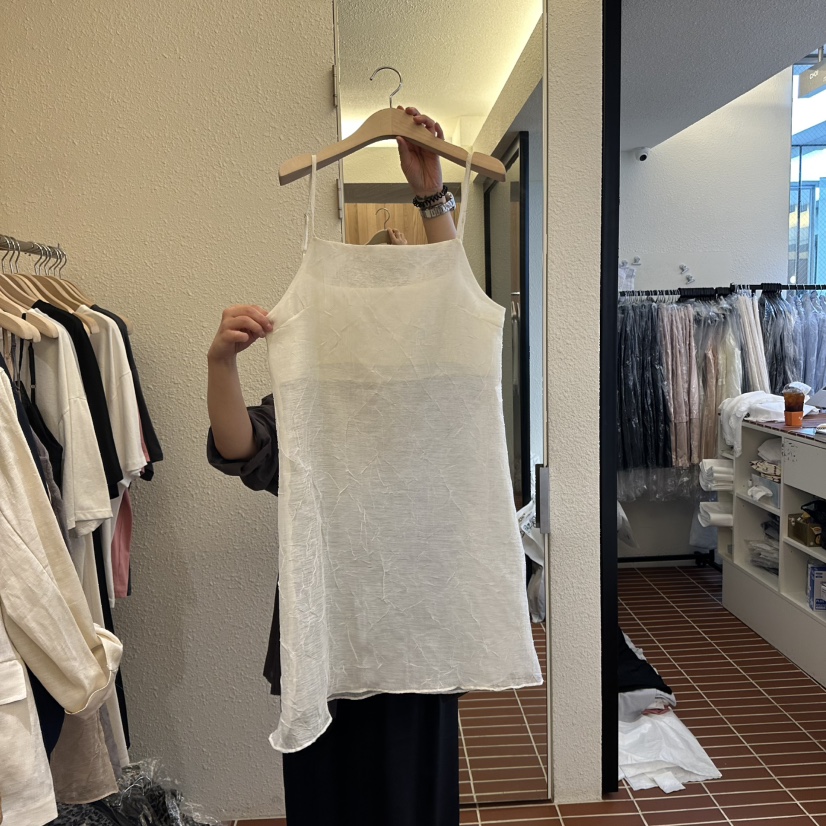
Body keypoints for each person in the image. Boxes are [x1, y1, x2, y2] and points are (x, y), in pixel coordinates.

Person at [206, 108, 463, 826]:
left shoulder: (433, 396)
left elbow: (456, 311)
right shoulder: (310, 401)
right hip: (322, 643)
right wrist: (221, 362)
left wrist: (431, 195)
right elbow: (241, 446)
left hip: (415, 640)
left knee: (416, 803)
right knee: (328, 803)